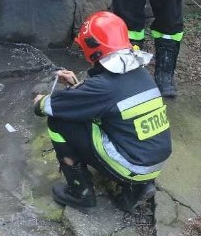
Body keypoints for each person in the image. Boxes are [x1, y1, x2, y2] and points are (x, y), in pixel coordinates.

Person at [32, 11, 172, 212]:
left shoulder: (103, 87)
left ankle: (81, 194)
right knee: (102, 122)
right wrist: (78, 87)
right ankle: (137, 188)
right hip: (153, 163)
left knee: (58, 122)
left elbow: (45, 108)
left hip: (132, 165)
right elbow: (106, 103)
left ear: (92, 48)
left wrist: (40, 100)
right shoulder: (141, 73)